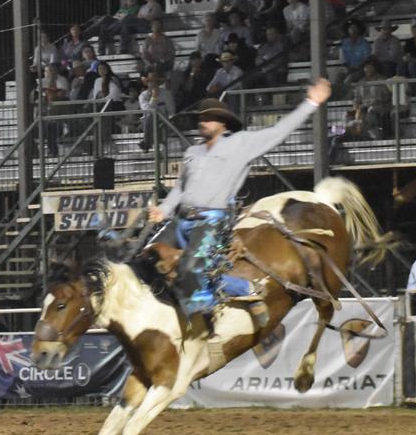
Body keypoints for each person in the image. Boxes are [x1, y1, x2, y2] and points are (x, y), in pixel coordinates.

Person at [146, 80, 333, 316]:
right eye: (201, 118)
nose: (203, 122)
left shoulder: (241, 143)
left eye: (209, 118)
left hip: (212, 221)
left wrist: (310, 103)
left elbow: (278, 132)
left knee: (193, 269)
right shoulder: (192, 153)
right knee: (148, 257)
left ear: (223, 125)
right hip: (182, 219)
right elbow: (180, 188)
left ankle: (226, 302)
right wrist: (163, 209)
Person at [138, 70, 174, 152]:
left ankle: (146, 142)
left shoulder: (166, 93)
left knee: (152, 116)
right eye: (150, 81)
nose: (153, 84)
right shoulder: (142, 96)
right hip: (149, 124)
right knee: (151, 116)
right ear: (147, 83)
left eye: (155, 81)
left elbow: (171, 110)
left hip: (164, 122)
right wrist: (154, 98)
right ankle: (148, 142)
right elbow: (147, 111)